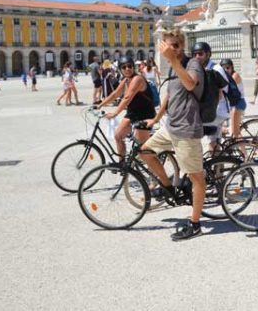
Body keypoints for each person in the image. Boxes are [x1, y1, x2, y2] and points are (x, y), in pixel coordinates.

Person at [140, 31, 208, 241]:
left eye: (177, 46)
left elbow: (190, 84)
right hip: (170, 127)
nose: (173, 49)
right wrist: (155, 118)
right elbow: (170, 95)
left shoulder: (192, 64)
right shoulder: (173, 65)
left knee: (197, 178)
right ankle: (169, 188)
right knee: (145, 151)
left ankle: (195, 224)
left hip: (187, 129)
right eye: (170, 46)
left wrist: (172, 59)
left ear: (182, 46)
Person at [97, 56, 155, 160]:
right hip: (133, 113)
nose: (127, 69)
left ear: (133, 67)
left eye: (129, 66)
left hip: (145, 115)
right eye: (124, 67)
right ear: (120, 69)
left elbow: (127, 97)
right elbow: (115, 94)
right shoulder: (126, 80)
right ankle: (122, 164)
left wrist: (115, 113)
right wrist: (100, 105)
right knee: (118, 136)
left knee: (142, 151)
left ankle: (154, 174)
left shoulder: (137, 79)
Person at [220, 58, 247, 138]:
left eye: (228, 67)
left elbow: (225, 87)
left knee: (235, 132)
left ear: (232, 67)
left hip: (238, 104)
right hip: (231, 104)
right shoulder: (227, 76)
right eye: (223, 68)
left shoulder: (235, 76)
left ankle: (246, 149)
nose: (226, 69)